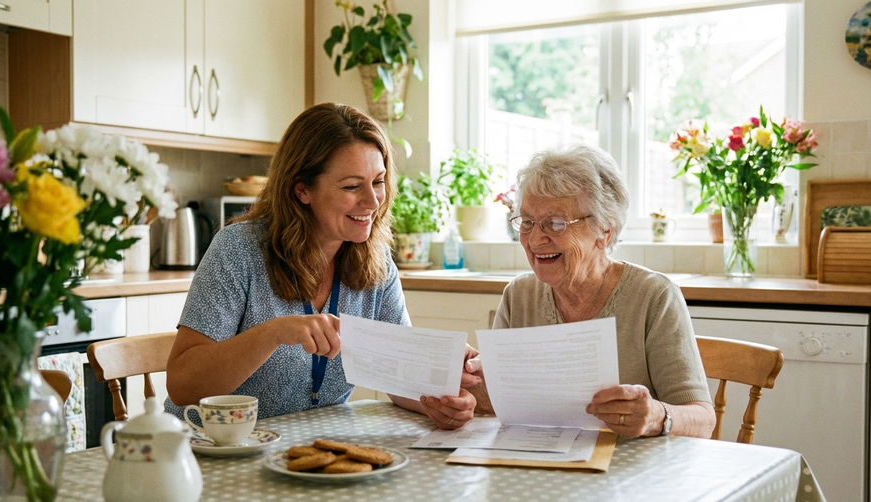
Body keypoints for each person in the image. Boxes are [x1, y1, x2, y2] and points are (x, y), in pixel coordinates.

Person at [165, 103, 475, 429]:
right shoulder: (238, 250)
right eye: (352, 186)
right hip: (210, 453)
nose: (373, 201)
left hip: (304, 454)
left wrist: (438, 400)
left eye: (379, 181)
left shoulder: (377, 263)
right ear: (302, 190)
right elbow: (184, 385)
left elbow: (397, 370)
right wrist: (272, 334)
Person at [463, 144, 715, 438]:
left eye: (555, 223)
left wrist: (657, 416)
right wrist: (466, 389)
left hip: (629, 475)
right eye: (528, 222)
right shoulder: (519, 296)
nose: (535, 239)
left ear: (605, 230)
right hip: (539, 469)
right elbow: (500, 404)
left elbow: (703, 420)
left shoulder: (654, 296)